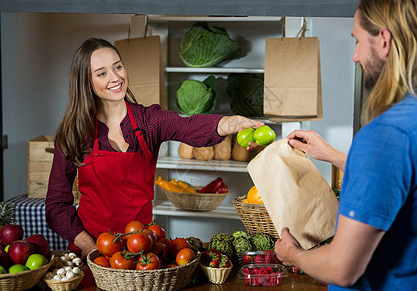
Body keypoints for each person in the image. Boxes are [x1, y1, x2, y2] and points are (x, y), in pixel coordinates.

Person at [275, 0, 417, 290]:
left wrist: (292, 254)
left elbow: (342, 269)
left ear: (384, 40)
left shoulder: (386, 134)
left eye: (357, 41)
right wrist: (335, 156)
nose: (355, 56)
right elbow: (412, 185)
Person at [45, 37, 264, 258]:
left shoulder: (149, 121)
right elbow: (56, 205)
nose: (115, 77)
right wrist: (88, 246)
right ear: (85, 81)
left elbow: (189, 127)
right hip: (93, 253)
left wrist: (231, 124)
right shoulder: (73, 134)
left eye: (118, 66)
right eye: (102, 73)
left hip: (144, 251)